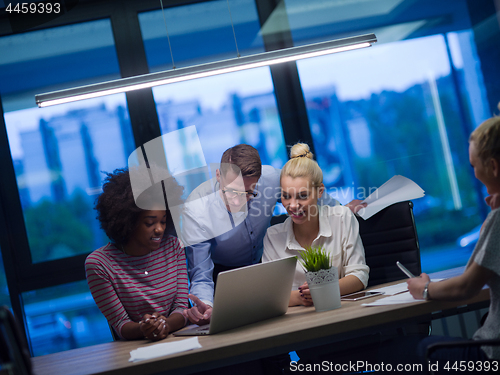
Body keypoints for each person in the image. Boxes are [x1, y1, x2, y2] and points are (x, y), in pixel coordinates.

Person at [182, 144, 365, 324]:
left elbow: (304, 187)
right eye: (231, 191)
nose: (238, 200)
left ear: (259, 180)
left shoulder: (271, 179)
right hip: (224, 273)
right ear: (218, 175)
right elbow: (201, 275)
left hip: (265, 263)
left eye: (248, 193)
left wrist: (341, 209)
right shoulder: (196, 208)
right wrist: (205, 306)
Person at [407, 113, 500, 364]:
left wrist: (424, 288)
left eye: (474, 166)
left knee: (424, 349)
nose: (474, 174)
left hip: (493, 355)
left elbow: (465, 286)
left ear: (493, 167)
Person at [85, 168, 188, 341]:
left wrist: (166, 325)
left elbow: (182, 307)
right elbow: (120, 324)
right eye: (150, 223)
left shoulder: (173, 247)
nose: (160, 229)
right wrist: (145, 328)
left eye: (163, 221)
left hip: (179, 341)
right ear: (128, 222)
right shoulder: (99, 264)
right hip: (134, 352)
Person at [263, 143, 369, 306]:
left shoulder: (342, 218)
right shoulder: (272, 236)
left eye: (302, 196)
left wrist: (324, 289)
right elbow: (270, 294)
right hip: (297, 323)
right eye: (286, 196)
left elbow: (359, 277)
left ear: (320, 191)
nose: (292, 205)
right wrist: (303, 296)